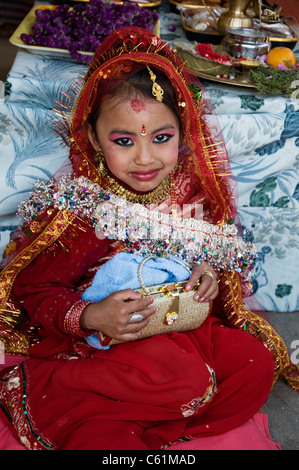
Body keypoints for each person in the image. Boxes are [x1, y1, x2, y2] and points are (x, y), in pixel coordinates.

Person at [0, 27, 297, 451]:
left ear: (184, 133)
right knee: (170, 382)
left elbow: (210, 266)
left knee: (254, 364)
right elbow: (35, 291)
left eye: (161, 138)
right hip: (106, 346)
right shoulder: (84, 209)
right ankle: (112, 405)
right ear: (94, 140)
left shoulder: (191, 196)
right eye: (124, 140)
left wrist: (206, 276)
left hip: (179, 332)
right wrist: (91, 316)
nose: (145, 158)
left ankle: (156, 424)